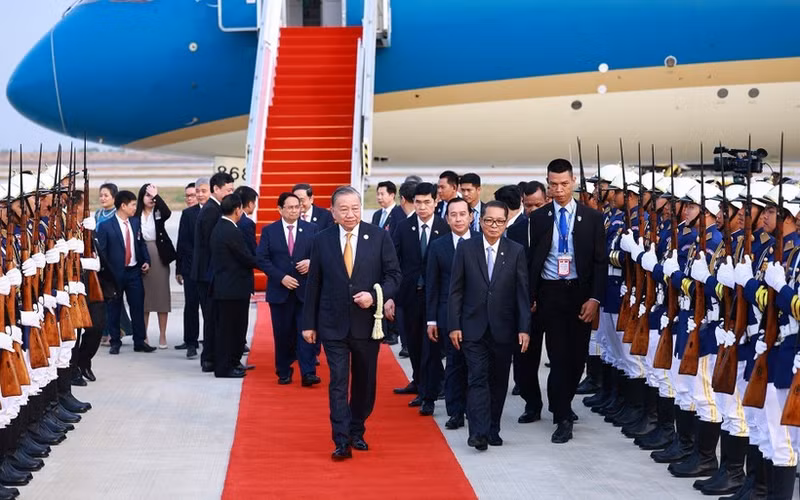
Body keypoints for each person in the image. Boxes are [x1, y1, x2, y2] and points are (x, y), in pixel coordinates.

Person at [302, 186, 401, 461]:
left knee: (365, 382)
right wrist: (308, 324)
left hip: (368, 324)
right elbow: (314, 284)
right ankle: (341, 439)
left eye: (355, 208)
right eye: (343, 209)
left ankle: (358, 428)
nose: (350, 214)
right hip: (332, 324)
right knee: (337, 381)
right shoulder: (321, 240)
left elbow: (395, 275)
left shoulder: (379, 237)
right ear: (332, 212)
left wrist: (375, 295)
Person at [528, 158, 606, 444]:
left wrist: (595, 298)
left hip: (580, 295)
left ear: (573, 182)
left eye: (563, 184)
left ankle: (563, 400)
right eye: (553, 184)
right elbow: (532, 261)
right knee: (558, 357)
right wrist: (531, 296)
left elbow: (600, 263)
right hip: (551, 293)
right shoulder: (538, 219)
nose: (558, 190)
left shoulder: (593, 218)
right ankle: (561, 416)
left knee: (577, 359)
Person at [448, 200, 530, 451]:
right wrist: (454, 324)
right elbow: (456, 290)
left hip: (504, 329)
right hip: (472, 328)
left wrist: (524, 328)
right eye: (489, 220)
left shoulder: (515, 251)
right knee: (477, 378)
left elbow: (522, 293)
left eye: (500, 221)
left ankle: (493, 427)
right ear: (480, 221)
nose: (494, 226)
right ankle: (478, 432)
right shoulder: (466, 248)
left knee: (498, 380)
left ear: (506, 223)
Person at [386, 182, 448, 412]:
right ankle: (421, 384)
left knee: (431, 348)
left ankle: (428, 395)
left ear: (436, 201)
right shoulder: (403, 227)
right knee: (412, 345)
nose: (422, 207)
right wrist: (390, 296)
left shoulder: (445, 226)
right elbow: (393, 263)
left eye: (427, 202)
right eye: (418, 202)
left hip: (436, 297)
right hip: (408, 296)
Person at [426, 197, 478, 430]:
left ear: (471, 216)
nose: (458, 218)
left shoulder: (482, 240)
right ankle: (455, 411)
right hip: (449, 315)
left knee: (476, 365)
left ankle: (474, 410)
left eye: (462, 214)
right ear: (446, 219)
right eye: (453, 215)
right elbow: (433, 285)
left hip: (478, 315)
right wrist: (432, 320)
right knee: (455, 364)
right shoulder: (438, 246)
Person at [257, 193, 319, 385]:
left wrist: (311, 262)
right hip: (280, 292)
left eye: (297, 206)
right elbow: (262, 259)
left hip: (305, 291)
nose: (294, 210)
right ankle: (284, 370)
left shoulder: (312, 229)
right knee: (283, 333)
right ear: (280, 209)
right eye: (290, 207)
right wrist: (281, 277)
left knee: (306, 330)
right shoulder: (270, 231)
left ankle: (308, 372)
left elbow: (323, 254)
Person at [95, 190, 155, 354]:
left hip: (134, 272)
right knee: (114, 308)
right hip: (115, 274)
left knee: (137, 306)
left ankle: (139, 341)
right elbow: (103, 252)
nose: (135, 207)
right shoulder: (106, 226)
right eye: (133, 204)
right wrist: (105, 275)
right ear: (123, 206)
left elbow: (140, 243)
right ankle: (115, 341)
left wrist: (146, 261)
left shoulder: (135, 223)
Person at [210, 194, 258, 378]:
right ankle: (224, 368)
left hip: (228, 287)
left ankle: (232, 363)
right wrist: (268, 263)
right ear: (238, 209)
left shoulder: (222, 227)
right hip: (231, 289)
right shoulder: (230, 230)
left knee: (232, 328)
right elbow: (246, 257)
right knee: (229, 330)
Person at [193, 172, 234, 373]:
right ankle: (209, 358)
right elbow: (212, 245)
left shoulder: (213, 208)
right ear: (216, 189)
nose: (230, 194)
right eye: (228, 191)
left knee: (213, 317)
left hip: (208, 273)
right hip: (207, 274)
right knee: (211, 317)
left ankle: (210, 357)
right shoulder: (211, 211)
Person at [135, 183, 176, 349]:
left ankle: (163, 335)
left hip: (159, 254)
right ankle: (144, 335)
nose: (150, 199)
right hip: (142, 254)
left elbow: (168, 212)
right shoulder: (136, 214)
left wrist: (157, 197)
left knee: (161, 297)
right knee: (145, 299)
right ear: (141, 198)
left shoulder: (158, 212)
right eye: (147, 195)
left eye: (153, 196)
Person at [175, 178, 208, 358]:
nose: (199, 195)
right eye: (198, 192)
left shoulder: (216, 211)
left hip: (210, 270)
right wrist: (179, 269)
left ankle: (210, 341)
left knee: (209, 307)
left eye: (203, 191)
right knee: (191, 306)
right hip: (190, 269)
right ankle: (191, 342)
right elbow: (182, 242)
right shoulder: (188, 214)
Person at [95, 182, 129, 346]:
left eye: (106, 195)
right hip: (98, 258)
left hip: (113, 261)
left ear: (114, 198)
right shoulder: (98, 213)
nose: (102, 198)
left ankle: (117, 330)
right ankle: (104, 330)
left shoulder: (117, 214)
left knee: (113, 297)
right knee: (101, 297)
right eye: (101, 195)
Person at [235, 186, 258, 255]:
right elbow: (251, 247)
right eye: (254, 203)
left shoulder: (229, 217)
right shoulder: (247, 223)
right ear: (250, 204)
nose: (255, 206)